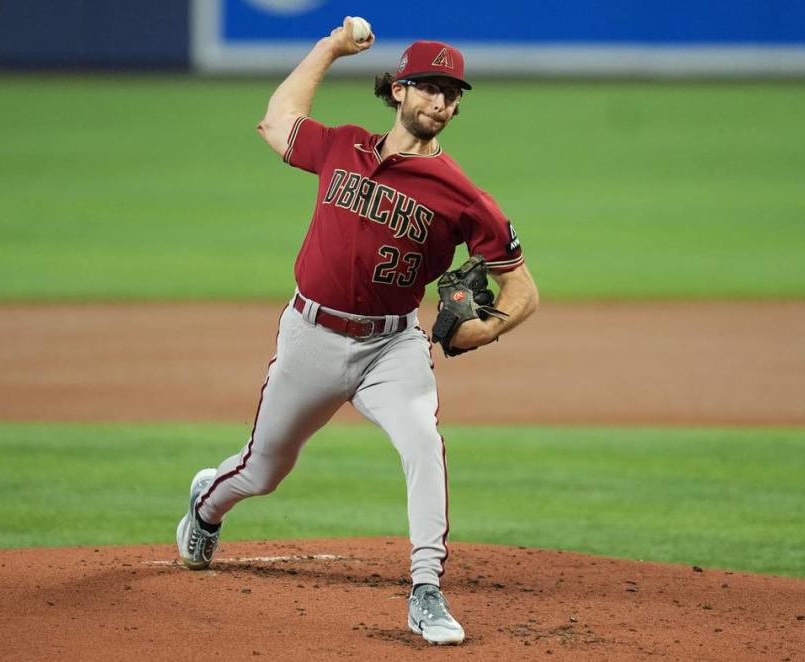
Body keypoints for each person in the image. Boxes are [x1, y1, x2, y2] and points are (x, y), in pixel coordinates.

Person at [176, 18, 539, 645]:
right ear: (398, 90)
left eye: (452, 94)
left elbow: (524, 290)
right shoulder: (342, 146)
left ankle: (426, 590)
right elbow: (276, 121)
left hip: (392, 346)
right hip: (310, 336)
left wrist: (478, 333)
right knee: (263, 471)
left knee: (423, 442)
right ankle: (207, 505)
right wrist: (329, 49)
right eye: (428, 87)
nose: (440, 102)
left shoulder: (464, 196)